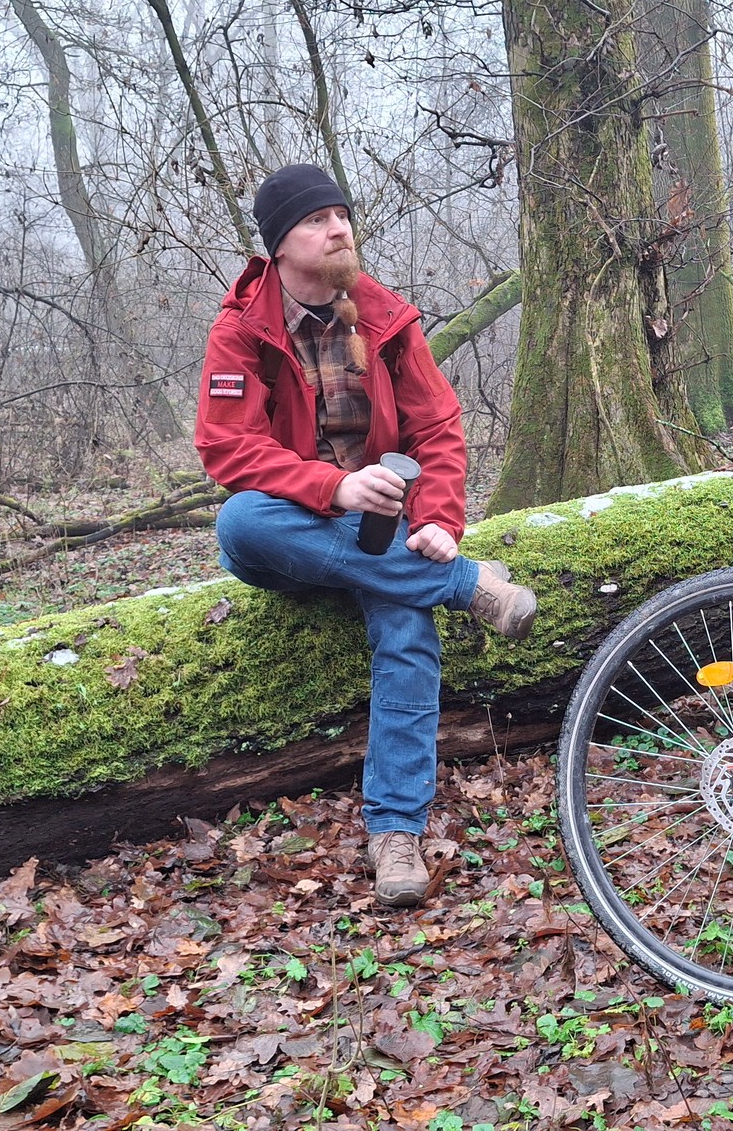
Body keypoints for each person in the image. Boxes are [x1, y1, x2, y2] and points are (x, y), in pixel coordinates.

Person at [195, 164, 537, 908]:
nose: (338, 229)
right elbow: (226, 447)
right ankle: (467, 586)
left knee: (407, 626)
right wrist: (331, 486)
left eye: (341, 214)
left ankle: (396, 834)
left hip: (383, 532)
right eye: (317, 219)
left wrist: (439, 520)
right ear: (280, 244)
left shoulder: (383, 317)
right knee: (240, 519)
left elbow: (437, 427)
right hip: (291, 530)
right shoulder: (243, 328)